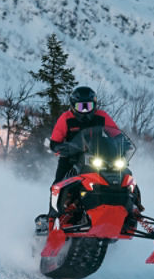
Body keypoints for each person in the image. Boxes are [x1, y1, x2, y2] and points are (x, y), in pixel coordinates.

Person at [36, 86, 122, 231]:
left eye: (88, 106)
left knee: (124, 176)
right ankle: (52, 218)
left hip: (99, 158)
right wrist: (61, 148)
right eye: (80, 106)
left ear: (94, 105)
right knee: (58, 185)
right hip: (71, 159)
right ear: (73, 106)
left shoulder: (101, 116)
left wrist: (121, 145)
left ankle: (131, 211)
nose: (84, 110)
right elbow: (55, 142)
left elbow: (116, 134)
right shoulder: (66, 118)